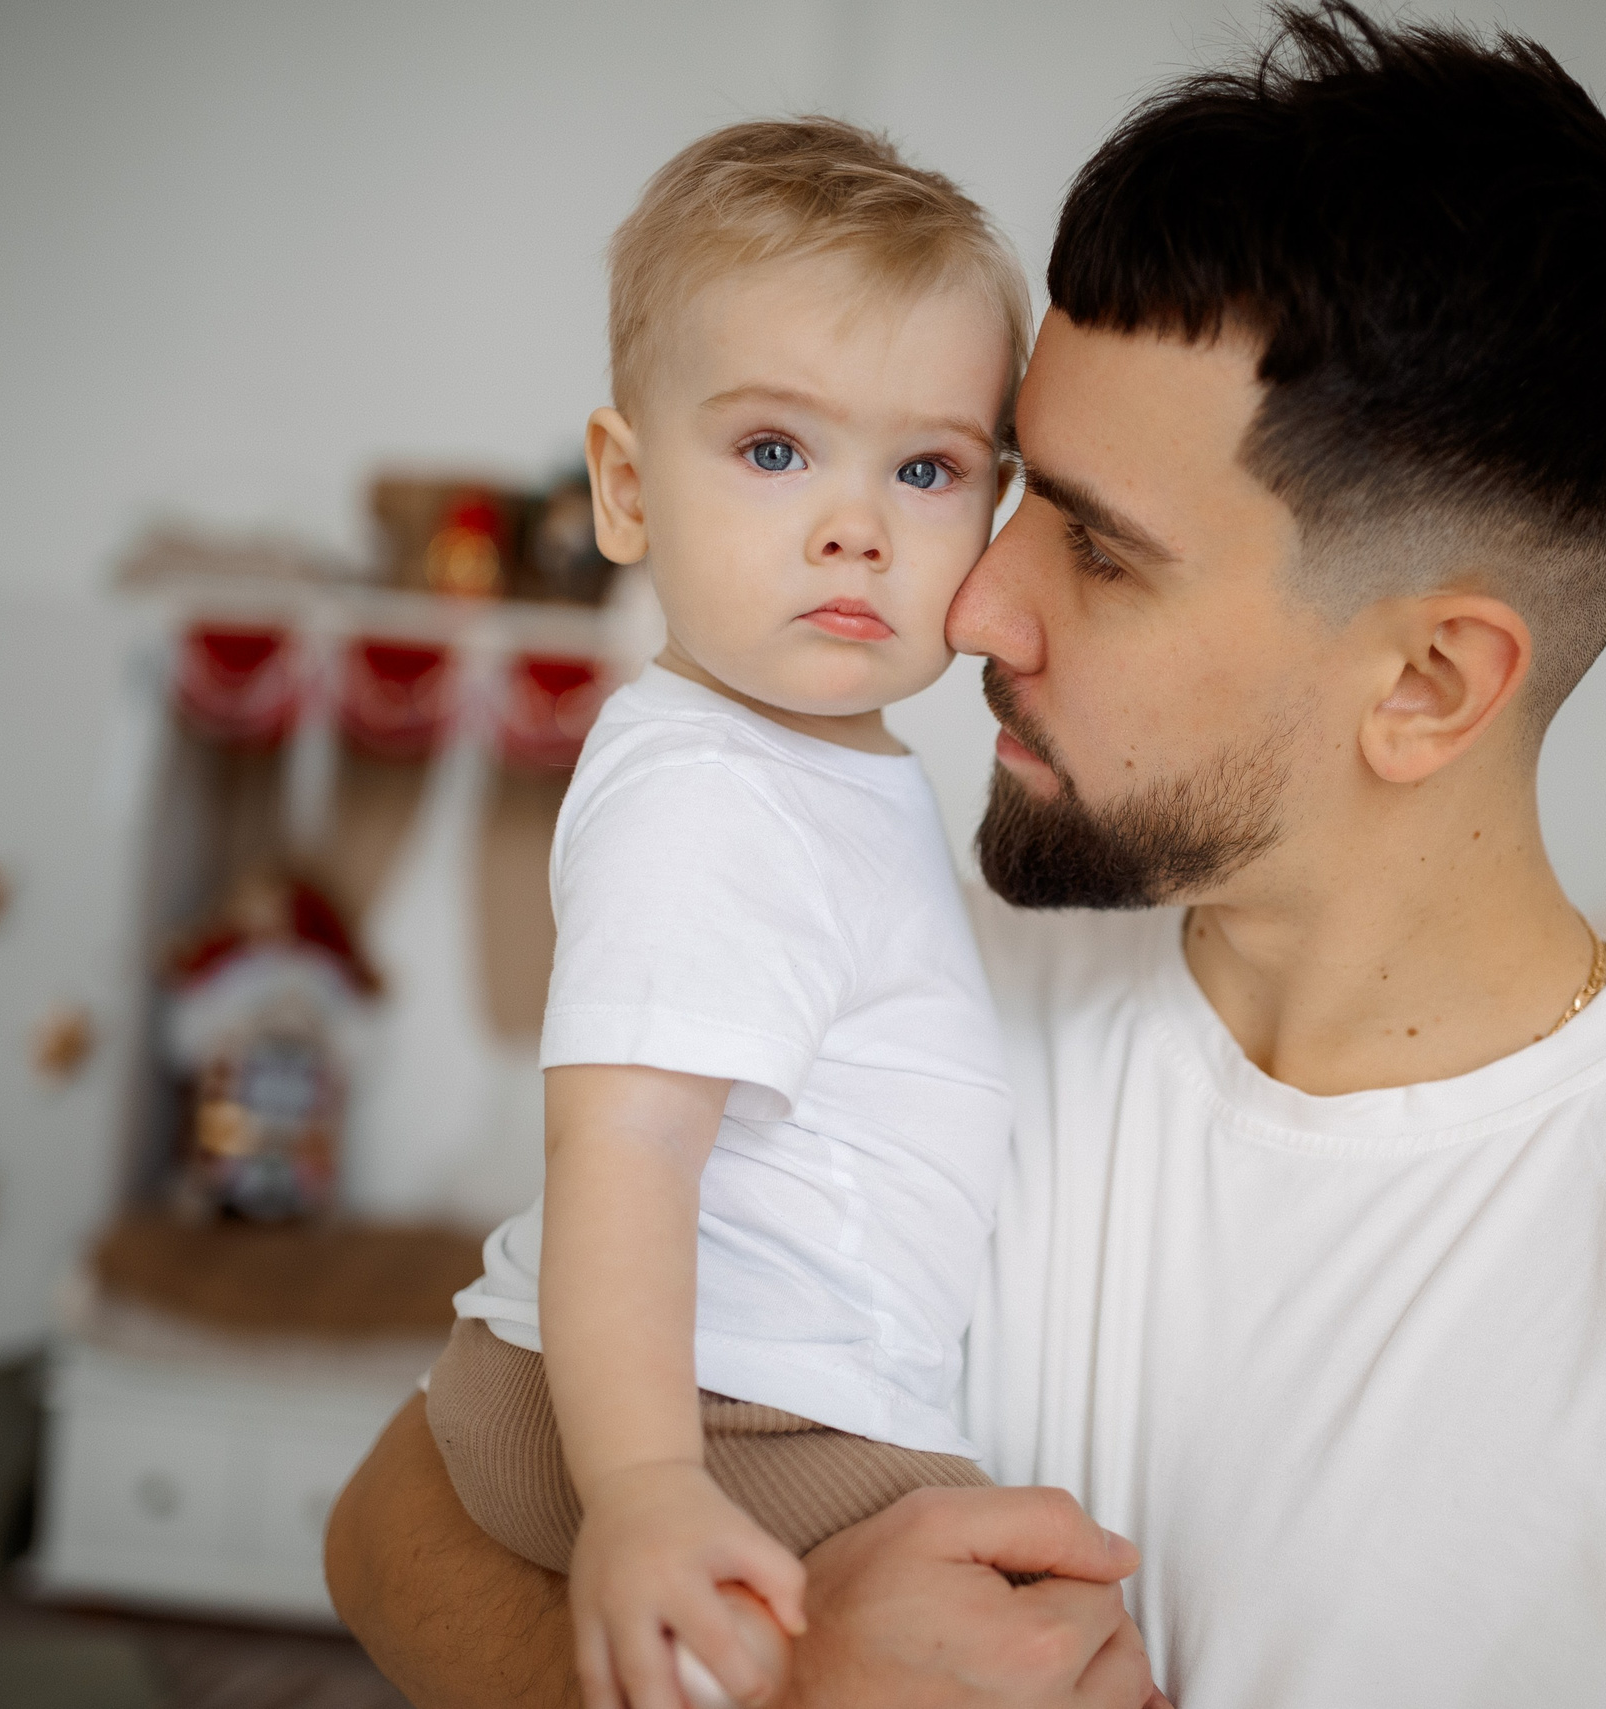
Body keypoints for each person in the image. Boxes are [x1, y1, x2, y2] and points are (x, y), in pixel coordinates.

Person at [330, 10, 1606, 1705]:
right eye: (1009, 491)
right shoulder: (922, 983)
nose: (978, 597)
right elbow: (396, 1522)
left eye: (1094, 547)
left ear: (1424, 683)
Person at [419, 119, 1044, 1708]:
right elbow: (624, 1145)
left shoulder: (816, 772)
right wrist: (640, 1486)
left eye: (926, 467)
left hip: (744, 1393)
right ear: (626, 487)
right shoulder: (712, 791)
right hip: (704, 1412)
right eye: (777, 449)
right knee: (1030, 1622)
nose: (858, 524)